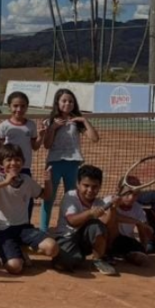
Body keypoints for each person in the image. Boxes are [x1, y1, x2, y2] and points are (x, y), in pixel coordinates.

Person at [0, 144, 58, 275]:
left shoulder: (27, 180)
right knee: (14, 267)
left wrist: (48, 181)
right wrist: (5, 182)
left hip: (23, 228)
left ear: (23, 162)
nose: (13, 163)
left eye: (17, 160)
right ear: (1, 164)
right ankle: (1, 251)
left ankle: (19, 249)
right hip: (1, 229)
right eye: (9, 160)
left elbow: (46, 196)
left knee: (52, 248)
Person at [39, 88, 100, 233]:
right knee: (49, 197)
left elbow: (94, 138)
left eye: (71, 101)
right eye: (64, 101)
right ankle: (43, 230)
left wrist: (84, 120)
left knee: (72, 198)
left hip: (73, 164)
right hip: (55, 163)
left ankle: (69, 228)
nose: (67, 103)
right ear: (57, 103)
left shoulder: (77, 122)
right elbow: (46, 145)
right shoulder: (50, 121)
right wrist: (53, 127)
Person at [53, 165, 119, 276]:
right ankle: (75, 256)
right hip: (66, 238)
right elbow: (72, 222)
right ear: (78, 184)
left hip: (84, 240)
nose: (90, 190)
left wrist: (113, 209)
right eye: (86, 185)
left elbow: (106, 225)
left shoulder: (99, 202)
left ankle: (98, 260)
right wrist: (90, 213)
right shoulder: (69, 197)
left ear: (100, 186)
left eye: (95, 187)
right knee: (63, 264)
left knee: (96, 226)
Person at [0, 91, 41, 220]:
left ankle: (25, 223)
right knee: (7, 196)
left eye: (22, 106)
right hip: (7, 168)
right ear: (9, 106)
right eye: (15, 106)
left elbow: (35, 146)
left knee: (26, 197)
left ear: (27, 107)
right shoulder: (4, 126)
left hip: (25, 167)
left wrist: (42, 136)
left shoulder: (31, 125)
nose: (19, 109)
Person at [104, 179, 151, 267]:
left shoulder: (138, 208)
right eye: (128, 193)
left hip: (124, 241)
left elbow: (143, 230)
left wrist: (143, 249)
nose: (131, 198)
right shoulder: (108, 201)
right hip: (106, 239)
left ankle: (125, 254)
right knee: (112, 218)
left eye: (135, 194)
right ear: (118, 190)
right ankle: (107, 253)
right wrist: (136, 221)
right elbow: (110, 218)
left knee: (142, 259)